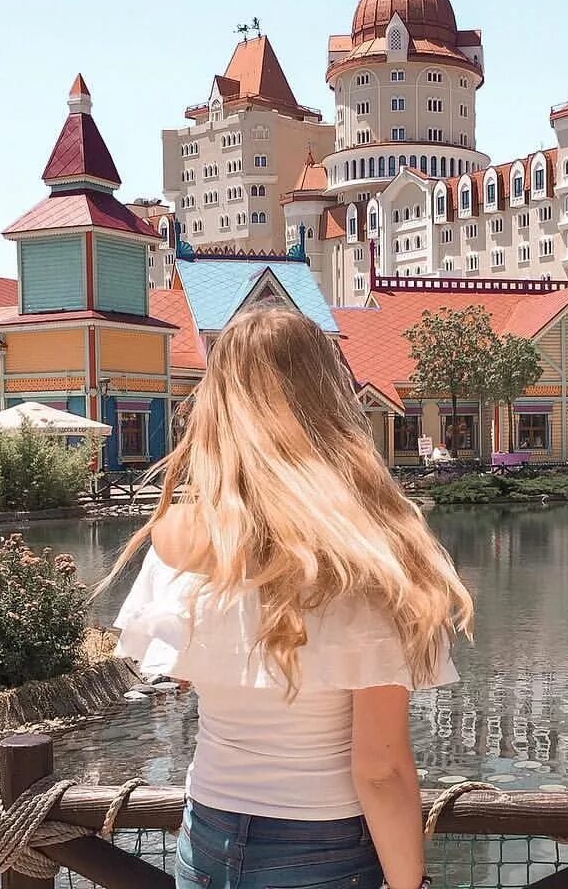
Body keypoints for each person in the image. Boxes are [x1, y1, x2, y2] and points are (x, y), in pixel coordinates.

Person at [102, 305, 473, 889]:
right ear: (329, 398)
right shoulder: (364, 555)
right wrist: (410, 885)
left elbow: (194, 679)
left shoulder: (177, 536)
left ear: (218, 404)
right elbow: (379, 770)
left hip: (206, 837)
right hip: (323, 842)